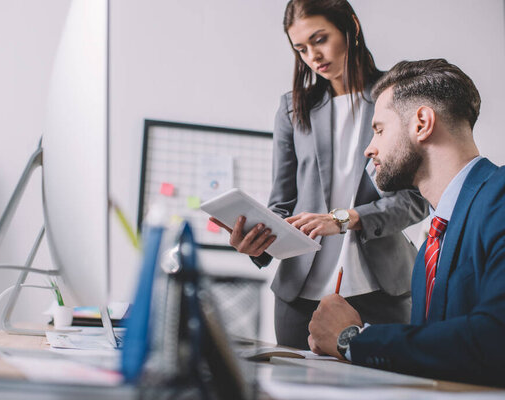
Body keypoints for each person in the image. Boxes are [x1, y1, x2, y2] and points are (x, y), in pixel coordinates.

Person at [210, 0, 428, 350]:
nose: (313, 55)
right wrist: (257, 243)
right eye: (301, 48)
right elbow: (281, 205)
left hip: (383, 293)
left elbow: (416, 201)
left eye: (320, 39)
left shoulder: (397, 99)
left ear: (351, 27)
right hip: (300, 298)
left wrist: (344, 219)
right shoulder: (293, 108)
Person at [308, 58, 505, 387]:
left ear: (422, 124)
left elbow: (495, 340)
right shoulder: (429, 245)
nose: (370, 149)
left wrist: (351, 339)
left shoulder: (499, 198)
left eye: (380, 130)